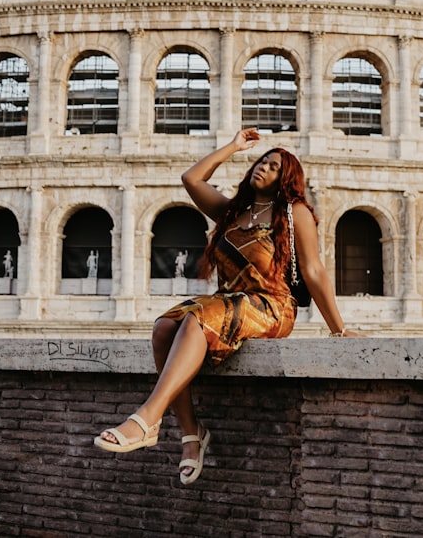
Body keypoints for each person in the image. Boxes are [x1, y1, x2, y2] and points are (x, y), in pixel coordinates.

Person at [94, 128, 360, 484]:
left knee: (196, 320)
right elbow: (191, 178)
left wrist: (338, 328)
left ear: (287, 178)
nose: (263, 167)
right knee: (163, 328)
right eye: (262, 161)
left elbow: (313, 271)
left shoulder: (295, 213)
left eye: (274, 166)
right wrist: (233, 147)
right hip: (229, 304)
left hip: (271, 307)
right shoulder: (233, 212)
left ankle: (147, 419)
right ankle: (192, 435)